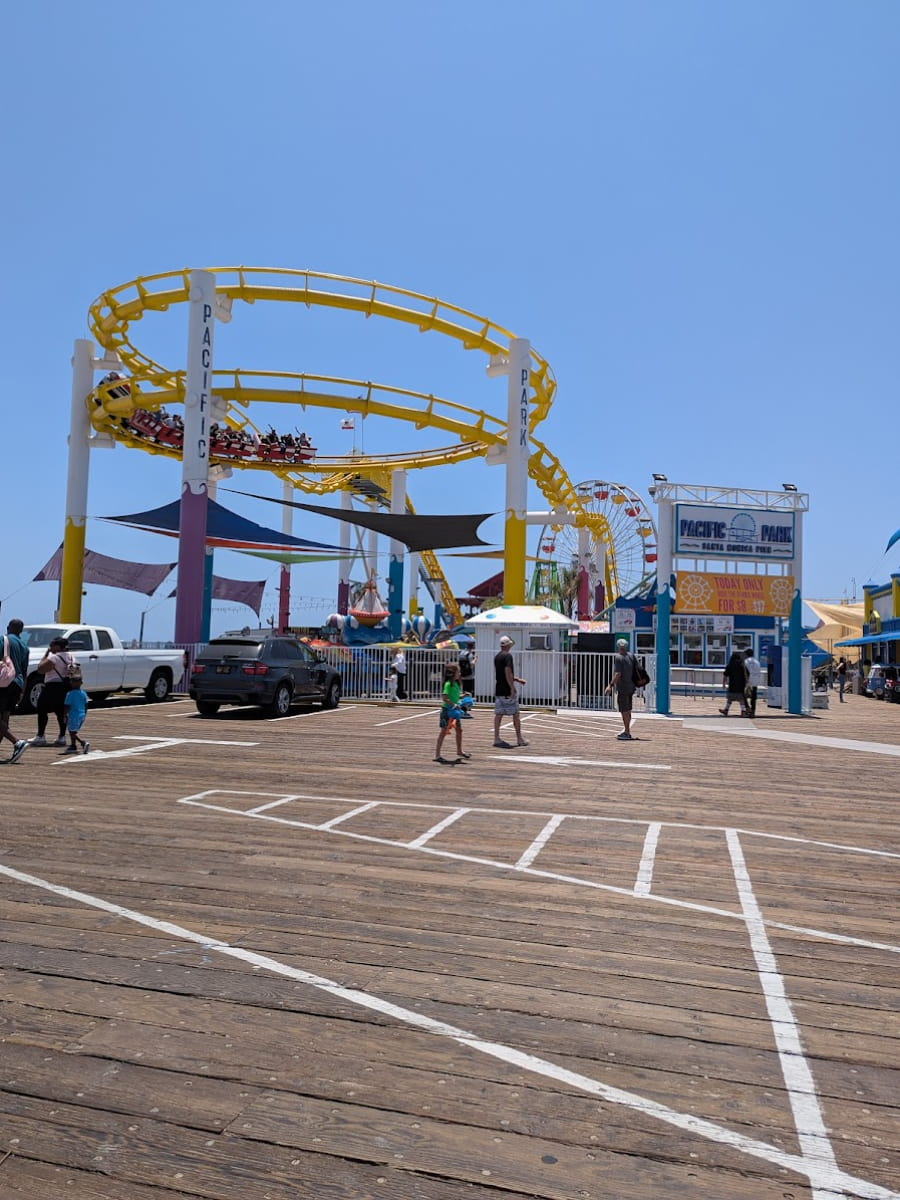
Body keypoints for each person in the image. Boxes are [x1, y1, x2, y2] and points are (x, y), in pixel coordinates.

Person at [31, 637, 76, 747]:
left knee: (42, 708)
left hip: (52, 686)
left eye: (52, 645)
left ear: (57, 646)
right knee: (61, 712)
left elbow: (40, 669)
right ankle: (62, 737)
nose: (50, 647)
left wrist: (46, 655)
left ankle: (40, 736)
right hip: (66, 687)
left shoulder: (54, 658)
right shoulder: (71, 657)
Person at [0, 618, 30, 764]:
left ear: (8, 627)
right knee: (4, 718)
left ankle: (17, 742)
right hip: (17, 684)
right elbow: (24, 670)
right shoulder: (24, 646)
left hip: (3, 683)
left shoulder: (3, 640)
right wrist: (22, 691)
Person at [493, 635, 528, 749]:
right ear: (508, 645)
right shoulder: (508, 656)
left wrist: (517, 679)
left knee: (498, 715)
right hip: (507, 690)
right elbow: (507, 672)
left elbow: (502, 674)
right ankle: (519, 738)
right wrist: (512, 688)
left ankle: (496, 738)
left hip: (499, 689)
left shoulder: (497, 656)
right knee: (516, 714)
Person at [434, 662, 470, 764]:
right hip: (447, 711)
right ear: (453, 673)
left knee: (459, 730)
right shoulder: (448, 684)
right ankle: (437, 755)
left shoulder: (456, 684)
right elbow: (444, 698)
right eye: (458, 671)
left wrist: (464, 696)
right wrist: (453, 704)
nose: (459, 673)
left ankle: (459, 751)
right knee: (443, 732)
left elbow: (455, 696)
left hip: (455, 712)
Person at [605, 637, 637, 740]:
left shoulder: (619, 658)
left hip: (623, 687)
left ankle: (627, 732)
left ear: (618, 647)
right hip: (631, 687)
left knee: (624, 710)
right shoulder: (631, 656)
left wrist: (610, 685)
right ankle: (627, 730)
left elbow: (618, 674)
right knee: (628, 709)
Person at [63, 677, 90, 755]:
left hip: (73, 715)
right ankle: (73, 745)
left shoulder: (70, 694)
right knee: (74, 730)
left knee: (72, 731)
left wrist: (65, 715)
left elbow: (67, 706)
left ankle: (83, 742)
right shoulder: (83, 693)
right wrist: (85, 714)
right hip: (81, 715)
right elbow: (86, 705)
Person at [720, 650, 749, 717]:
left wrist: (723, 683)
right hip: (741, 684)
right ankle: (743, 711)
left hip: (732, 684)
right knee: (741, 698)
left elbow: (725, 675)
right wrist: (746, 682)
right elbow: (747, 673)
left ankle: (726, 710)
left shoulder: (730, 665)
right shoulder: (742, 664)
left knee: (730, 698)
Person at [743, 647, 762, 718]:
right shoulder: (757, 662)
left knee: (743, 695)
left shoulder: (746, 661)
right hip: (755, 681)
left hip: (747, 681)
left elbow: (744, 671)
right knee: (753, 697)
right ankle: (753, 711)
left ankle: (747, 708)